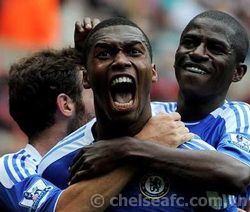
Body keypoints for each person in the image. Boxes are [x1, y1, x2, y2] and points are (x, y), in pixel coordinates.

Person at [37, 15, 244, 211]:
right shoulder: (55, 164)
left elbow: (238, 175)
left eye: (134, 52)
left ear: (153, 72)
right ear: (86, 78)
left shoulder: (203, 148)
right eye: (105, 54)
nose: (120, 61)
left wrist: (124, 149)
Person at [0, 47, 190, 211]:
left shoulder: (108, 154)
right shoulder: (11, 169)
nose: (105, 98)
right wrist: (142, 147)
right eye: (91, 89)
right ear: (66, 105)